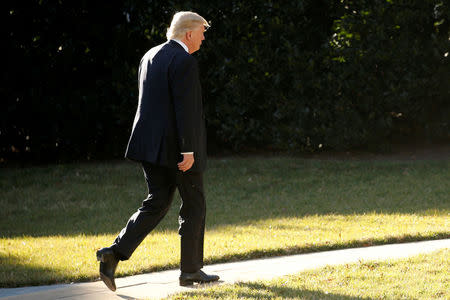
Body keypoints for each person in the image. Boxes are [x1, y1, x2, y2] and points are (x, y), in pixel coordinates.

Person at [96, 11, 219, 291]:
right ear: (188, 33)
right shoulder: (185, 61)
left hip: (149, 148)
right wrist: (188, 151)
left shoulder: (149, 55)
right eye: (202, 32)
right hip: (178, 151)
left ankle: (113, 253)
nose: (203, 37)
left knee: (157, 202)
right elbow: (184, 109)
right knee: (194, 203)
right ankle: (190, 271)